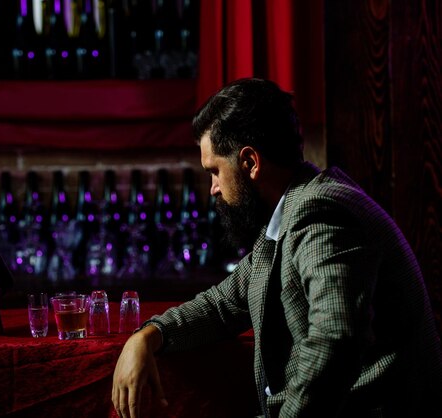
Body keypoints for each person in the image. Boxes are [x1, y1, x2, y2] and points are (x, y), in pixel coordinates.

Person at [112, 78, 442, 418]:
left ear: (251, 162)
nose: (212, 188)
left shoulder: (321, 213)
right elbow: (222, 305)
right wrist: (148, 336)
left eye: (214, 171)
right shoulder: (287, 213)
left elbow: (335, 340)